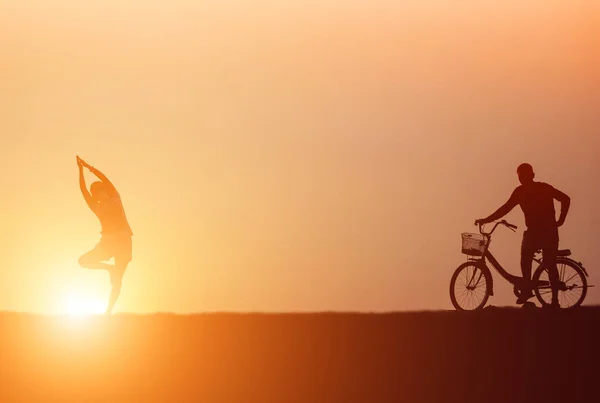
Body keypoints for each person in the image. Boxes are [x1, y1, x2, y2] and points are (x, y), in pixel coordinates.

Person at [475, 163, 570, 308]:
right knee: (540, 261)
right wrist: (561, 220)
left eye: (522, 176)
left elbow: (505, 209)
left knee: (540, 261)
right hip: (541, 232)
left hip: (544, 232)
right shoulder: (532, 190)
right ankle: (536, 292)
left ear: (529, 176)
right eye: (521, 177)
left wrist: (561, 220)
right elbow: (565, 199)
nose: (522, 179)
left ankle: (542, 295)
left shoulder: (531, 190)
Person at [76, 156, 133, 315]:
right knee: (83, 261)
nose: (100, 193)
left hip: (123, 240)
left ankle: (108, 312)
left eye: (101, 190)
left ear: (105, 191)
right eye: (96, 192)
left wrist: (89, 167)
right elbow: (83, 189)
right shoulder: (96, 206)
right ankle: (109, 268)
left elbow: (105, 179)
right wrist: (80, 171)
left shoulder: (116, 198)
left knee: (117, 282)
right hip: (107, 242)